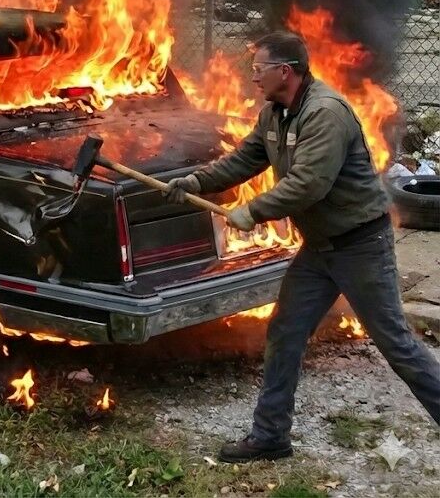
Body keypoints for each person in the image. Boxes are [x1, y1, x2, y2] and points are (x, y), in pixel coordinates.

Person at [164, 31, 440, 461]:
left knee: (397, 345)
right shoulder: (275, 113)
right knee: (286, 331)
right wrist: (196, 181)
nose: (253, 76)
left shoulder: (324, 113)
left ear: (285, 71)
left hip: (360, 246)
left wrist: (252, 212)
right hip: (320, 248)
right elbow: (245, 159)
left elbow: (309, 183)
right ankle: (271, 435)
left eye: (259, 68)